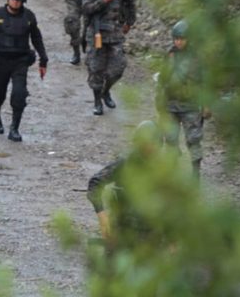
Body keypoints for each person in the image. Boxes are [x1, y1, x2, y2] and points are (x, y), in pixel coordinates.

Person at [0, 0, 48, 141]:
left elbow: (36, 38)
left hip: (20, 61)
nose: (15, 3)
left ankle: (14, 127)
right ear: (7, 0)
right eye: (12, 0)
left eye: (19, 0)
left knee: (19, 94)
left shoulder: (29, 17)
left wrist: (43, 58)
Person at [87, 120, 162, 244]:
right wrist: (102, 217)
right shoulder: (125, 162)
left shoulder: (162, 166)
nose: (153, 147)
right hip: (123, 226)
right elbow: (95, 184)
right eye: (148, 143)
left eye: (155, 143)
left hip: (150, 229)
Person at [81, 0, 136, 116]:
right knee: (95, 68)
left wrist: (129, 22)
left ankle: (106, 91)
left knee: (118, 68)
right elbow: (86, 9)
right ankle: (97, 100)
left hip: (115, 34)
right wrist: (103, 1)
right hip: (96, 34)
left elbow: (130, 4)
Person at [156, 20, 206, 178]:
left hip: (190, 105)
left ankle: (195, 173)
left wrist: (206, 105)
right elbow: (162, 78)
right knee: (170, 140)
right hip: (171, 104)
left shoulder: (197, 57)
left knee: (193, 140)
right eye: (176, 39)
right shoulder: (169, 54)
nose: (178, 42)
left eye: (181, 39)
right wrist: (159, 100)